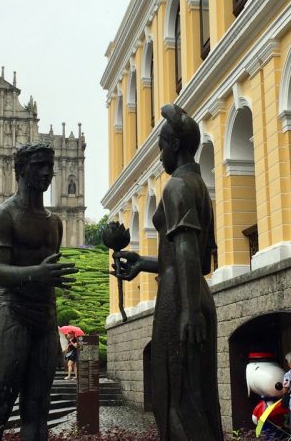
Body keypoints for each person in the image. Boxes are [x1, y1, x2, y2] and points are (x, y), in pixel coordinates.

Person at [111, 105, 223, 441]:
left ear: (175, 145)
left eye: (161, 146)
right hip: (193, 290)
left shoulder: (177, 186)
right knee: (196, 396)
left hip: (180, 298)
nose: (160, 155)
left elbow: (187, 248)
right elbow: (188, 255)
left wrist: (188, 310)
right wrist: (144, 264)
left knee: (173, 397)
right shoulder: (197, 184)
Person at [0, 142, 78, 441]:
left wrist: (53, 278)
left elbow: (47, 269)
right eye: (38, 165)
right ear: (20, 169)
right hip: (16, 316)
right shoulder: (1, 215)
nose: (46, 172)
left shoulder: (55, 222)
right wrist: (38, 273)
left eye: (50, 166)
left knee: (38, 411)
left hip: (46, 319)